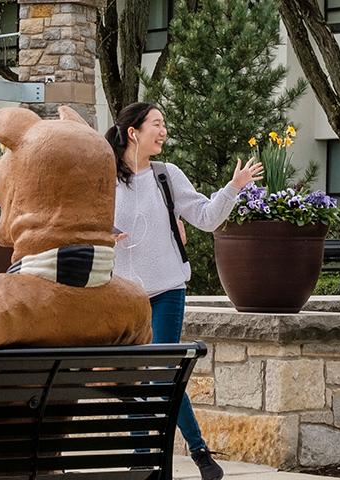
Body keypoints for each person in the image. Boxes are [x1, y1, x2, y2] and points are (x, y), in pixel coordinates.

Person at [105, 102, 263, 480]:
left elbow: (207, 219)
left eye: (164, 125)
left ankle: (200, 453)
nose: (164, 131)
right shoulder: (105, 178)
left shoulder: (166, 175)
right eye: (157, 124)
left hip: (166, 290)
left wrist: (234, 188)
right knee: (133, 378)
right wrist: (102, 233)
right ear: (133, 132)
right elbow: (84, 223)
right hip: (123, 296)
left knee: (162, 376)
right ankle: (142, 461)